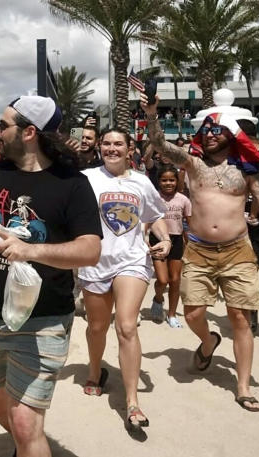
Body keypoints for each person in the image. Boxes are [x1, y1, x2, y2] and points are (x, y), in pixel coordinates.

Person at [0, 95, 102, 457]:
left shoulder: (72, 184)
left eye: (3, 125)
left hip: (43, 321)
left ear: (29, 132)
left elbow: (90, 250)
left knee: (26, 422)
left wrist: (30, 250)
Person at [143, 93, 259, 412]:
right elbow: (160, 144)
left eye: (215, 131)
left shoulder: (248, 171)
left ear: (231, 135)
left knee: (240, 317)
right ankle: (209, 343)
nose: (208, 135)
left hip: (238, 250)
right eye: (205, 131)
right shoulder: (193, 164)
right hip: (198, 251)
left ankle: (244, 386)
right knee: (193, 313)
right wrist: (152, 114)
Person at [78, 127, 170, 434]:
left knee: (127, 326)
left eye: (118, 143)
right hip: (96, 261)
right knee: (96, 327)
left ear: (130, 148)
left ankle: (132, 402)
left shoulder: (141, 181)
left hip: (132, 259)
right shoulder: (87, 178)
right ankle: (95, 371)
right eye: (107, 143)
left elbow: (154, 214)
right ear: (100, 147)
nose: (112, 148)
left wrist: (165, 238)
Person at [149, 166, 191, 329]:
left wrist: (191, 243)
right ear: (158, 181)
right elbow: (146, 219)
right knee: (162, 279)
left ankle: (172, 314)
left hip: (177, 240)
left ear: (177, 181)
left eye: (172, 180)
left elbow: (188, 223)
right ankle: (158, 298)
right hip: (157, 239)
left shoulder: (183, 200)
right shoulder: (153, 198)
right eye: (164, 180)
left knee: (175, 280)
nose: (168, 183)